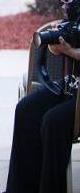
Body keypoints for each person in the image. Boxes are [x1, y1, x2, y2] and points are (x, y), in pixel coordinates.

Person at [5, 36, 80, 193]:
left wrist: (71, 52)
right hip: (72, 85)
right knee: (26, 110)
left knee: (53, 121)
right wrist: (57, 44)